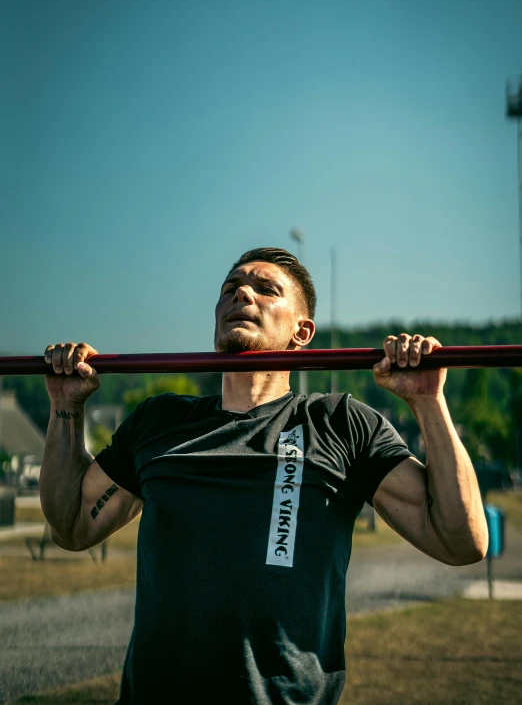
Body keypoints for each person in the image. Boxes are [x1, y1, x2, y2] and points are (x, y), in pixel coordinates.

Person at [40, 247, 488, 705]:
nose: (242, 295)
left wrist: (428, 400)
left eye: (264, 289)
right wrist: (64, 406)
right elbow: (71, 524)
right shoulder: (160, 421)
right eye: (230, 289)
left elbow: (462, 539)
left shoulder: (340, 424)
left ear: (302, 331)